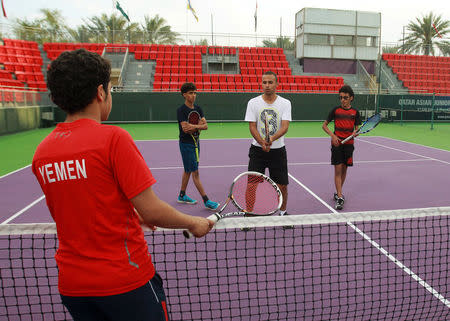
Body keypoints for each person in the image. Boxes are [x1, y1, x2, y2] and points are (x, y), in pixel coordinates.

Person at [31, 49, 214, 321]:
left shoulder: (42, 153)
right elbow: (152, 211)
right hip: (125, 282)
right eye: (110, 89)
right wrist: (193, 223)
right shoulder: (113, 139)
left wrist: (128, 215)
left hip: (73, 286)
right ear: (101, 93)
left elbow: (78, 211)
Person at [244, 71, 291, 217]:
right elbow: (252, 126)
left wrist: (271, 140)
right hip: (257, 151)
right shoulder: (253, 102)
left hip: (278, 151)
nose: (267, 85)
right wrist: (261, 141)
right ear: (261, 84)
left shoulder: (285, 103)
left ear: (277, 84)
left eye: (270, 82)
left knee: (282, 186)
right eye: (264, 82)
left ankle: (282, 213)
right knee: (252, 185)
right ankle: (249, 213)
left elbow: (284, 127)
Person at [176, 82, 219, 210]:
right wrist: (198, 126)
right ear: (184, 95)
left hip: (196, 142)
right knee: (195, 172)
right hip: (186, 144)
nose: (193, 95)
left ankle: (182, 195)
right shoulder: (181, 110)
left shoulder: (198, 109)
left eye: (195, 93)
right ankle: (206, 200)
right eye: (190, 93)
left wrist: (194, 127)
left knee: (188, 170)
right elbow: (185, 129)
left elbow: (205, 126)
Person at [322, 84, 361, 210]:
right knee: (338, 170)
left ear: (351, 98)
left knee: (344, 170)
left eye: (345, 97)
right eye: (341, 98)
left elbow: (357, 129)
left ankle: (338, 192)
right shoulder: (335, 110)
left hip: (349, 146)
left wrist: (356, 132)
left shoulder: (355, 113)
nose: (342, 100)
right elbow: (324, 126)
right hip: (337, 145)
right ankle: (339, 196)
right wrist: (333, 136)